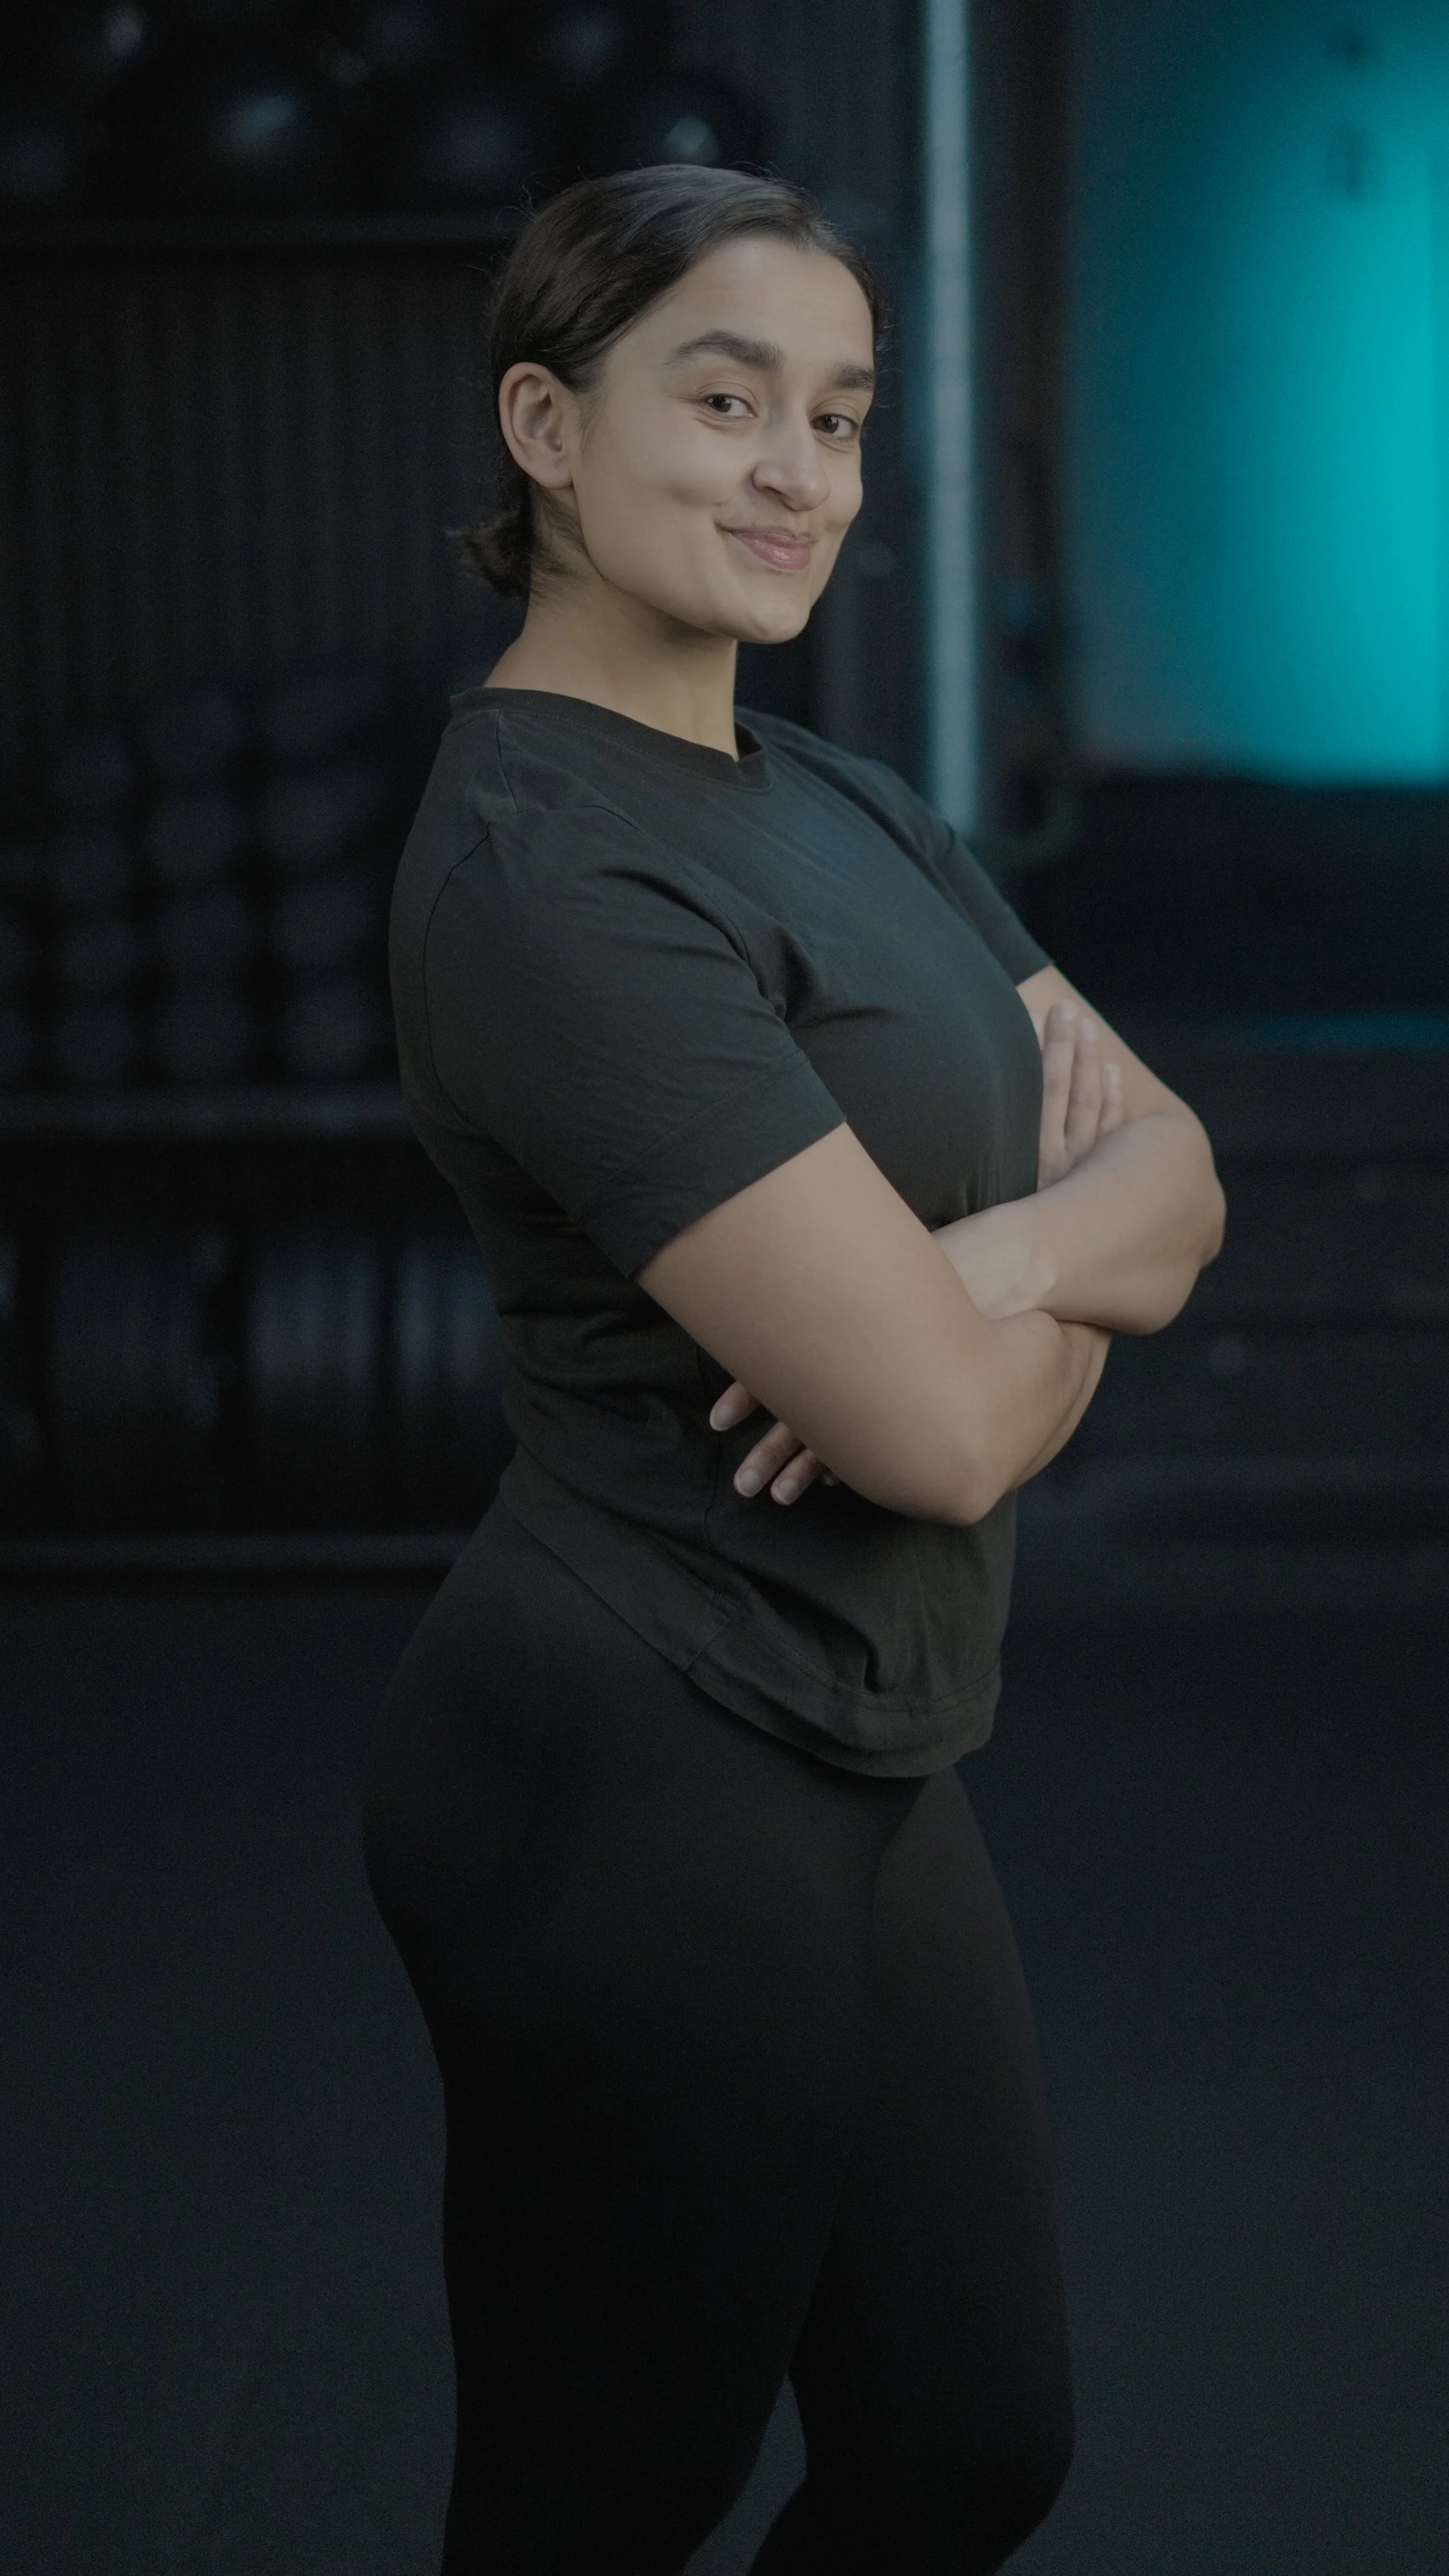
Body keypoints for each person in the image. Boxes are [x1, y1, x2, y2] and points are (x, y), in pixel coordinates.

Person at [363, 164, 1226, 2576]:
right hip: (629, 1752)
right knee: (594, 2501)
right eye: (722, 397)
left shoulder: (844, 803)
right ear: (547, 421)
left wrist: (986, 1261)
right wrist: (1050, 1296)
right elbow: (942, 1433)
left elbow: (1183, 1167)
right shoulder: (552, 873)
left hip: (862, 1725)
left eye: (838, 414)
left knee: (966, 2447)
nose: (796, 471)